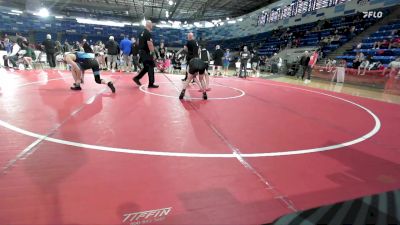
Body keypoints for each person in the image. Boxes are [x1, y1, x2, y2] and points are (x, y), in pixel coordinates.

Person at [132, 20, 159, 88]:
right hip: (146, 52)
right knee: (151, 66)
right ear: (149, 25)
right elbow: (150, 44)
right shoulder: (147, 33)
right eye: (151, 24)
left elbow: (138, 43)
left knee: (146, 67)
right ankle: (151, 83)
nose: (152, 25)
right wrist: (153, 54)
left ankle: (137, 78)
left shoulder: (141, 32)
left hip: (142, 52)